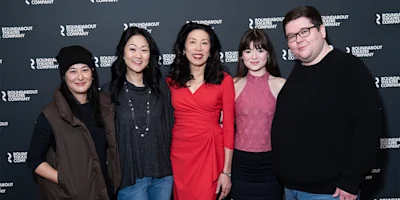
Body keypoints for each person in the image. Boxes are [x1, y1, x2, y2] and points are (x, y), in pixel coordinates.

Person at [271, 6, 383, 200]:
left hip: (329, 193)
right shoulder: (298, 72)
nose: (298, 40)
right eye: (291, 36)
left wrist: (350, 181)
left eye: (304, 31)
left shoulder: (349, 68)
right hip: (291, 189)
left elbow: (367, 128)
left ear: (322, 30)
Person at [27, 45, 121, 200]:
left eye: (85, 69)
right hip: (72, 196)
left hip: (106, 193)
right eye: (72, 71)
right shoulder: (51, 114)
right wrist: (66, 180)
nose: (80, 77)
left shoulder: (106, 105)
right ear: (64, 76)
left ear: (92, 73)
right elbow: (34, 159)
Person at [102, 26, 173, 200]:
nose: (138, 55)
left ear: (150, 56)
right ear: (123, 53)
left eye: (144, 50)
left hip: (163, 176)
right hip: (129, 179)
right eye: (132, 49)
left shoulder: (161, 88)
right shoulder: (108, 92)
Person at [167, 22, 235, 200]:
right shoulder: (171, 81)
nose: (198, 48)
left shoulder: (224, 80)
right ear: (183, 48)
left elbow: (229, 127)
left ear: (211, 49)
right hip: (179, 155)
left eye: (204, 43)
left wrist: (226, 172)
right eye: (192, 42)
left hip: (210, 153)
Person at [230, 29, 285, 200]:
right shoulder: (232, 85)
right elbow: (222, 124)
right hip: (240, 165)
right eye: (248, 51)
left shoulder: (281, 85)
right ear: (241, 56)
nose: (254, 56)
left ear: (268, 54)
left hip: (271, 166)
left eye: (260, 50)